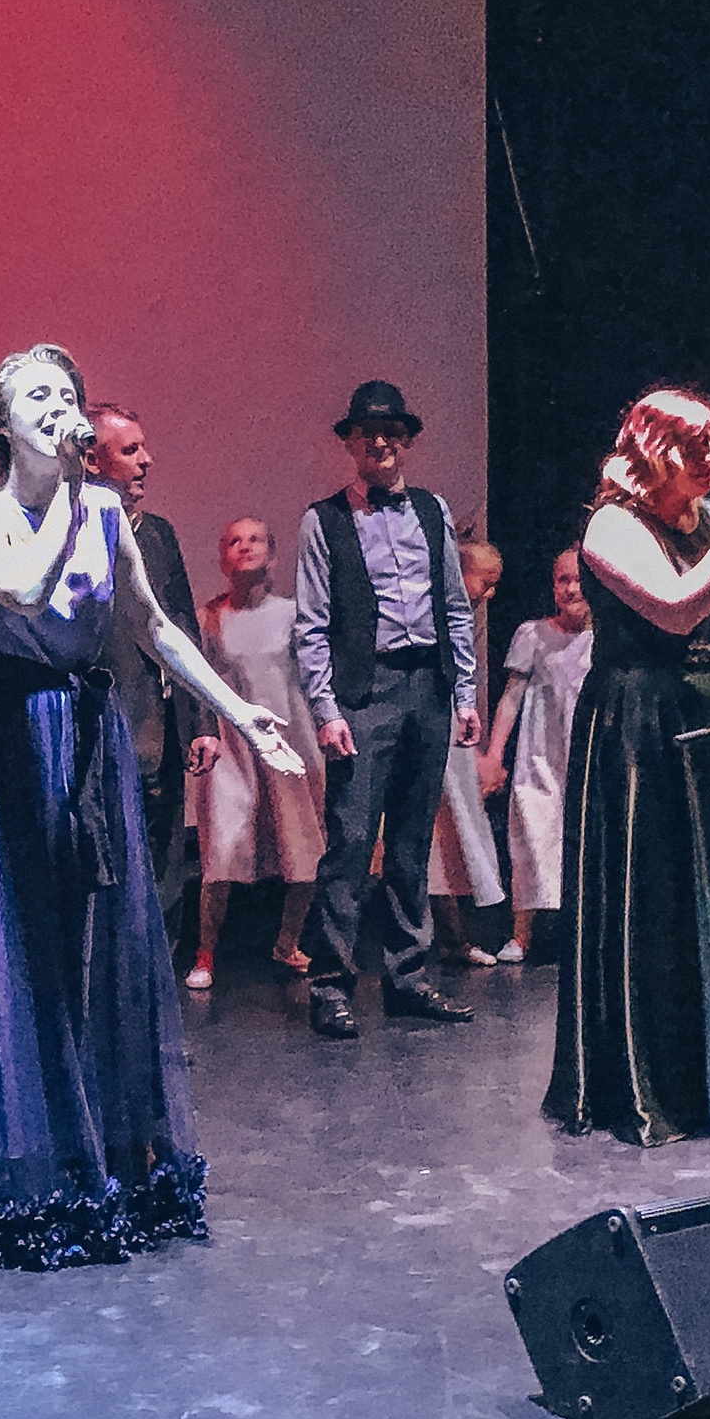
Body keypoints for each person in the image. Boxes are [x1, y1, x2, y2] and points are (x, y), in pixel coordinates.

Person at [0, 343, 303, 1270]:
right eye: (38, 397)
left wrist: (238, 710)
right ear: (1, 423)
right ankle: (39, 1168)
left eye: (68, 394)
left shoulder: (101, 510)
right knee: (30, 943)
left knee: (106, 942)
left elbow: (152, 626)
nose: (59, 407)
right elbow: (24, 589)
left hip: (89, 731)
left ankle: (110, 1158)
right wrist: (72, 488)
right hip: (16, 732)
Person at [546, 386, 710, 1146]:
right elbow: (679, 609)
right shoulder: (610, 526)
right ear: (654, 450)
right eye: (694, 445)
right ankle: (653, 1085)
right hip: (642, 725)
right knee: (651, 899)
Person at [292, 380, 483, 1039]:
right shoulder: (323, 520)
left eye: (391, 432)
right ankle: (330, 984)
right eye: (367, 432)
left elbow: (454, 607)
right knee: (350, 840)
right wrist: (327, 709)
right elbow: (312, 625)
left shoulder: (432, 510)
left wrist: (464, 693)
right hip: (364, 692)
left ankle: (408, 978)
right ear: (350, 443)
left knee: (410, 841)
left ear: (406, 441)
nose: (379, 442)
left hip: (427, 687)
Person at [84, 404, 220, 951]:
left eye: (143, 447)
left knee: (165, 867)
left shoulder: (158, 533)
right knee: (109, 863)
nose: (147, 460)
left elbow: (181, 625)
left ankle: (158, 987)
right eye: (130, 450)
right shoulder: (71, 536)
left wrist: (202, 720)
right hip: (104, 729)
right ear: (91, 461)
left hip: (161, 730)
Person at [187, 516, 324, 989]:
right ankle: (205, 953)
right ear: (222, 558)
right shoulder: (209, 618)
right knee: (223, 848)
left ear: (273, 555)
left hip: (290, 740)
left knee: (302, 844)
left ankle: (287, 943)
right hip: (233, 747)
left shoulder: (295, 615)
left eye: (255, 539)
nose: (245, 547)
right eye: (234, 541)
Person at [480, 545, 592, 963]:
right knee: (532, 836)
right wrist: (495, 754)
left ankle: (589, 933)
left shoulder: (605, 638)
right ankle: (521, 934)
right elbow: (511, 697)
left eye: (579, 580)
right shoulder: (532, 634)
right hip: (541, 756)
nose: (571, 588)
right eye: (563, 580)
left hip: (585, 753)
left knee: (586, 840)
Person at [430, 538, 509, 965]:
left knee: (455, 836)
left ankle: (456, 938)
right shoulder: (436, 615)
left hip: (455, 736)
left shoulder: (467, 620)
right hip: (434, 731)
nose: (489, 593)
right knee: (436, 835)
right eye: (486, 581)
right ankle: (441, 938)